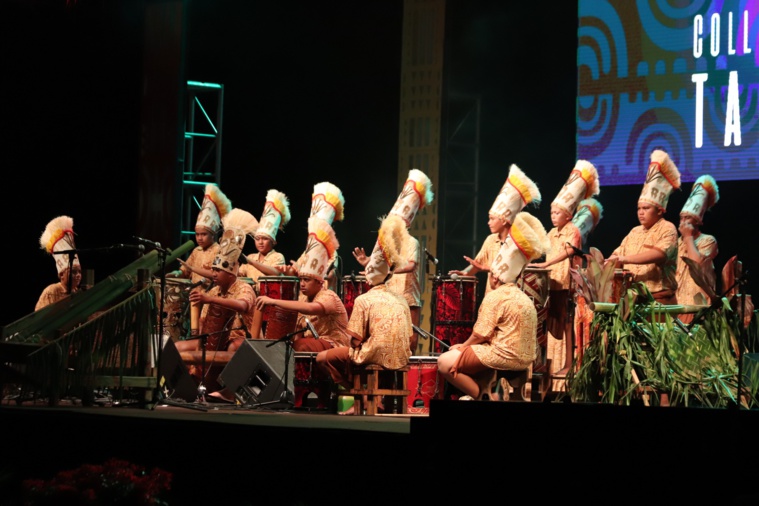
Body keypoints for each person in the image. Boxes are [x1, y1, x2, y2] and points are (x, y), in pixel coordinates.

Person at [437, 212, 550, 400]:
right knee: (474, 354)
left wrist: (461, 347)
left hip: (501, 355)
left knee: (444, 362)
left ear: (495, 277)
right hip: (526, 357)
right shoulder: (525, 298)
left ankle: (480, 395)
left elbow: (480, 334)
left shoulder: (495, 296)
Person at [317, 214, 413, 413]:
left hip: (373, 355)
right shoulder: (402, 299)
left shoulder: (364, 300)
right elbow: (410, 337)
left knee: (323, 358)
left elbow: (354, 340)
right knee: (371, 353)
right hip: (401, 356)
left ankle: (360, 396)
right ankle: (370, 399)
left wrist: (359, 345)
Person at [176, 208, 258, 397]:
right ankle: (185, 389)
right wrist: (197, 338)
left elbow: (244, 305)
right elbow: (204, 322)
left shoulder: (244, 288)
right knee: (177, 348)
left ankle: (229, 392)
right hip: (213, 338)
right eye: (213, 270)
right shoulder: (213, 289)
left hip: (240, 338)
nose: (213, 274)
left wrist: (209, 299)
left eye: (217, 271)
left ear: (230, 272)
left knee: (233, 347)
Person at [529, 160, 599, 378]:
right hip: (551, 285)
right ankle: (544, 364)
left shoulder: (572, 231)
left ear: (568, 215)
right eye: (551, 212)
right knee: (551, 322)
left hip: (567, 285)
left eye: (557, 213)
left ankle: (570, 363)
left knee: (567, 322)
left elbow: (570, 252)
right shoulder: (551, 233)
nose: (553, 215)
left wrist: (548, 263)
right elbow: (542, 250)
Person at [352, 169, 433, 353]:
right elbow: (380, 266)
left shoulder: (411, 241)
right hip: (389, 297)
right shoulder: (387, 244)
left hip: (408, 298)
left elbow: (411, 265)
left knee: (409, 341)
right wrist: (368, 263)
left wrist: (389, 272)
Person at [255, 216, 350, 352]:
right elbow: (299, 331)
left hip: (334, 344)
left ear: (319, 282)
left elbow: (310, 309)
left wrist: (273, 301)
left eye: (307, 280)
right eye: (301, 280)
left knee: (301, 345)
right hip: (312, 345)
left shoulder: (329, 296)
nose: (302, 284)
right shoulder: (302, 299)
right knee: (290, 346)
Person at [448, 163, 541, 296]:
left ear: (503, 220)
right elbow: (477, 263)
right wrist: (464, 273)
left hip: (511, 298)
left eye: (492, 218)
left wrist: (484, 268)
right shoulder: (491, 240)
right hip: (491, 296)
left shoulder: (518, 242)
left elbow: (517, 272)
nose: (488, 222)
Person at [607, 149, 680, 305]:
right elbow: (618, 254)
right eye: (639, 208)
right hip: (634, 298)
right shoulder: (634, 231)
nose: (641, 213)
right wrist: (605, 263)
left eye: (646, 208)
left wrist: (624, 259)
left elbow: (659, 254)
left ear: (660, 210)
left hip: (659, 300)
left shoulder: (668, 228)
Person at [166, 184, 233, 336]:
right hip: (193, 297)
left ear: (213, 234)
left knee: (205, 330)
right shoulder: (196, 251)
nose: (200, 238)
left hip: (211, 296)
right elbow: (185, 270)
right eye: (197, 234)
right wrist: (176, 274)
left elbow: (219, 275)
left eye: (204, 234)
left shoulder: (219, 250)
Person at [676, 175, 719, 324]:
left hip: (699, 305)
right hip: (678, 305)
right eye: (682, 218)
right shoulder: (676, 243)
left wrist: (688, 238)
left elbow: (698, 266)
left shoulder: (707, 240)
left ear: (698, 221)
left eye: (688, 218)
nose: (683, 222)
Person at [238, 189, 291, 286]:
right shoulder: (251, 257)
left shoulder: (277, 257)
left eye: (265, 239)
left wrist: (252, 262)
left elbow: (276, 272)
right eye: (257, 239)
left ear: (273, 242)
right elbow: (239, 275)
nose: (260, 242)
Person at [36, 215, 83, 311]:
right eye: (74, 272)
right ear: (61, 274)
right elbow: (39, 319)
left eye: (79, 272)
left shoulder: (79, 294)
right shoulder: (51, 292)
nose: (78, 275)